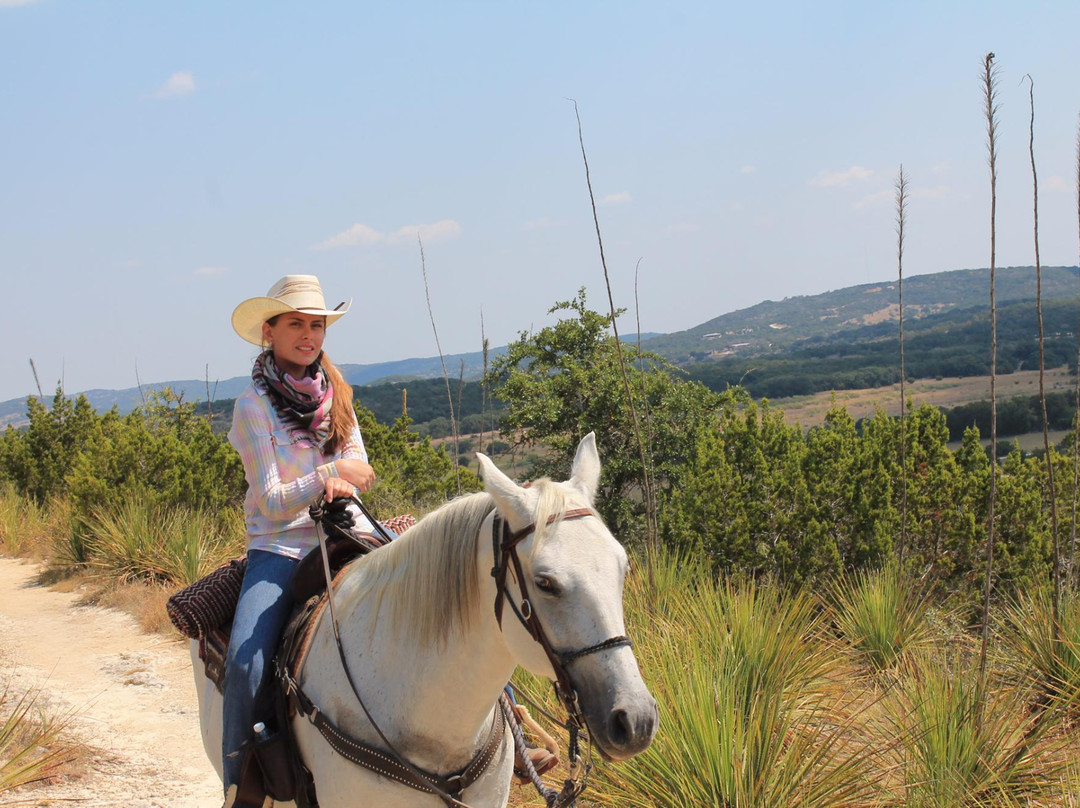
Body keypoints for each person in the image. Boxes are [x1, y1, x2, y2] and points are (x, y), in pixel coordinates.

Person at [223, 274, 376, 807]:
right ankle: (243, 785)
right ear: (270, 331)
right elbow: (270, 498)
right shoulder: (252, 406)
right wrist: (328, 476)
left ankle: (510, 732)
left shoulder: (339, 394)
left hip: (344, 530)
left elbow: (364, 469)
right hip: (282, 546)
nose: (309, 335)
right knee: (245, 664)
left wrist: (342, 478)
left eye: (317, 325)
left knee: (443, 588)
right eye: (297, 324)